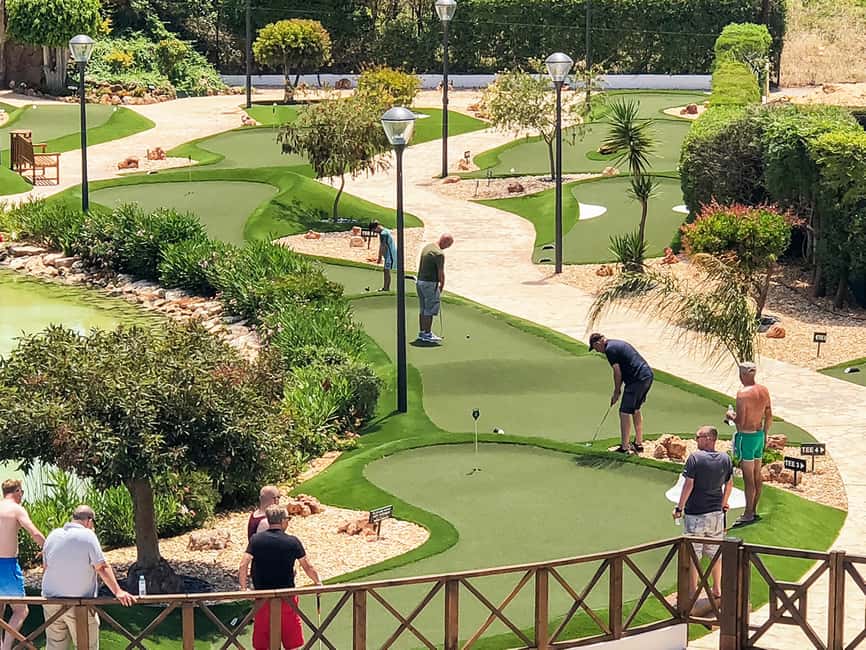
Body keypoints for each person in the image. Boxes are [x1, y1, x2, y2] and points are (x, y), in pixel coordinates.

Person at [41, 505, 135, 649]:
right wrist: (118, 591)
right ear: (89, 521)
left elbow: (46, 568)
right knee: (87, 645)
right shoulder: (88, 535)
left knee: (55, 645)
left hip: (50, 601)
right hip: (79, 603)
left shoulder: (53, 535)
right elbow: (101, 567)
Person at [239, 505, 322, 650]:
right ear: (283, 520)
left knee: (262, 643)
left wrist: (244, 589)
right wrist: (318, 582)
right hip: (287, 597)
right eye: (288, 519)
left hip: (262, 598)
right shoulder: (293, 541)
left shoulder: (256, 540)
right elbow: (307, 566)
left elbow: (243, 564)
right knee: (292, 643)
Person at [672, 426, 733, 604]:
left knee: (694, 554)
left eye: (698, 437)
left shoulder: (695, 458)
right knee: (715, 553)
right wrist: (723, 503)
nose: (696, 440)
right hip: (716, 514)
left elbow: (688, 485)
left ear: (708, 438)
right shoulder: (725, 459)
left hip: (696, 514)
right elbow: (729, 485)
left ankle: (693, 591)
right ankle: (717, 588)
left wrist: (679, 508)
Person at [589, 333, 654, 453]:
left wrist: (616, 391)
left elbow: (617, 372)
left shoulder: (609, 349)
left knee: (624, 412)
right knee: (635, 409)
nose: (598, 351)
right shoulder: (615, 344)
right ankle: (638, 443)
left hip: (636, 379)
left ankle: (624, 447)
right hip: (647, 375)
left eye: (595, 348)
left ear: (598, 343)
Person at [0, 479, 45, 650]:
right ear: (17, 491)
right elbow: (34, 532)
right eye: (22, 492)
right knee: (21, 610)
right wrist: (49, 547)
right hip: (7, 564)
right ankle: (6, 648)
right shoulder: (16, 509)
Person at [727, 361, 772, 526]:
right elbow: (769, 415)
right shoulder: (764, 390)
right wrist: (765, 434)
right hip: (759, 436)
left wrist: (730, 415)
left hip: (746, 437)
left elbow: (740, 420)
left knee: (749, 478)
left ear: (743, 375)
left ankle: (748, 513)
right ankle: (753, 509)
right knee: (757, 474)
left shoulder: (742, 394)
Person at [415, 233, 454, 343]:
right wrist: (442, 285)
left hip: (420, 281)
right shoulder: (439, 254)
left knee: (423, 308)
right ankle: (427, 334)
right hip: (430, 283)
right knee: (429, 309)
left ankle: (422, 332)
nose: (447, 247)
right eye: (448, 245)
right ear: (445, 242)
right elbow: (441, 272)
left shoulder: (428, 246)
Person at [371, 221, 397, 291]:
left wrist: (379, 258)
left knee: (386, 271)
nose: (375, 232)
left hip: (390, 254)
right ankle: (385, 288)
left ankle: (386, 288)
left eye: (374, 230)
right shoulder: (385, 230)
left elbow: (383, 246)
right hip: (389, 253)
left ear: (376, 227)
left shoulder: (383, 234)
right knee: (386, 270)